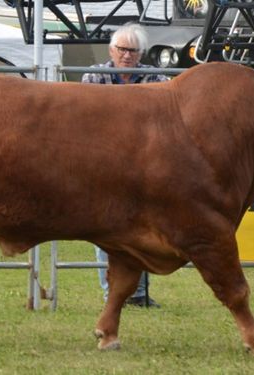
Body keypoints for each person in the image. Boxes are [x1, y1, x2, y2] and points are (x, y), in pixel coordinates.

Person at [82, 23, 168, 307]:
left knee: (143, 230)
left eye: (133, 50)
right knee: (105, 231)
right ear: (111, 50)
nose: (127, 55)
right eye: (122, 49)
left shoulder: (155, 77)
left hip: (144, 166)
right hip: (103, 165)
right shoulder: (94, 76)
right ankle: (112, 296)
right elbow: (85, 123)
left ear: (141, 53)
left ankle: (139, 295)